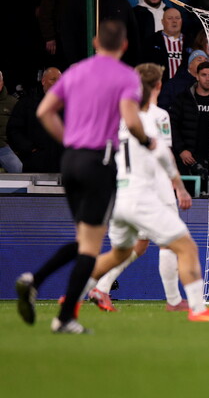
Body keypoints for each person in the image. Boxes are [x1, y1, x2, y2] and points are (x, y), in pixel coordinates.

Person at [15, 21, 153, 334]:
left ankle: (35, 283)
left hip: (71, 160)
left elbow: (44, 111)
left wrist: (68, 141)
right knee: (91, 248)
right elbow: (131, 121)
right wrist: (147, 141)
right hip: (99, 161)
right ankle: (62, 316)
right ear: (125, 46)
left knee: (83, 243)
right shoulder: (126, 76)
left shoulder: (75, 71)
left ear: (94, 41)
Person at [87, 63, 209, 322]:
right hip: (154, 187)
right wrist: (178, 187)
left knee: (135, 246)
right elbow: (164, 154)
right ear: (159, 85)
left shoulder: (121, 115)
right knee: (176, 244)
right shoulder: (159, 115)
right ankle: (177, 301)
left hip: (123, 189)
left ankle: (97, 288)